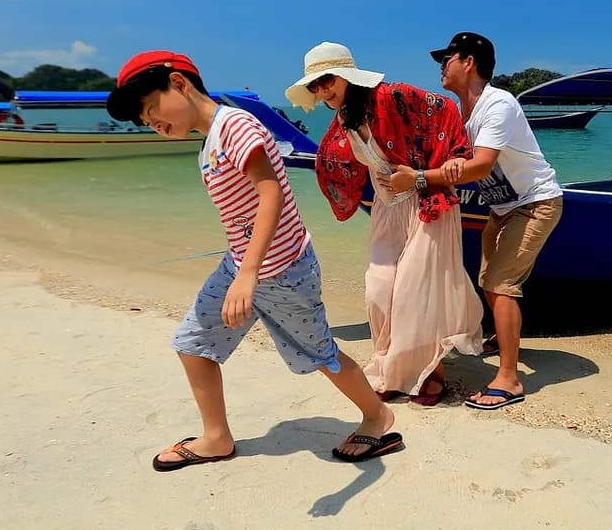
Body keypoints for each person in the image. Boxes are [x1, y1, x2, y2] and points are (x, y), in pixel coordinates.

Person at [105, 50, 401, 469]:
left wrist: (247, 275)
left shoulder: (235, 124)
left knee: (321, 355)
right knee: (193, 343)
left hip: (283, 271)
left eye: (152, 110)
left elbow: (271, 193)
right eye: (146, 121)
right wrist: (241, 270)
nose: (152, 123)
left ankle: (377, 416)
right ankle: (216, 437)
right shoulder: (211, 137)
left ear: (179, 83)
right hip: (242, 265)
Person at [286, 42, 483, 406]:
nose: (322, 90)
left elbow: (445, 110)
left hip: (427, 203)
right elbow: (338, 158)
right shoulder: (344, 118)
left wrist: (424, 174)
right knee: (379, 291)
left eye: (327, 80)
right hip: (387, 209)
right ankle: (396, 370)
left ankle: (432, 377)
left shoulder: (394, 95)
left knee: (416, 293)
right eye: (315, 86)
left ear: (346, 75)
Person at [388, 33, 563, 410]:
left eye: (447, 58)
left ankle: (510, 380)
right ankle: (503, 338)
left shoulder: (499, 103)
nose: (441, 66)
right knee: (488, 281)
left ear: (469, 62)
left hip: (535, 203)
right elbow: (447, 156)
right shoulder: (458, 113)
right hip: (501, 209)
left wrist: (418, 178)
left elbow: (480, 165)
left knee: (501, 284)